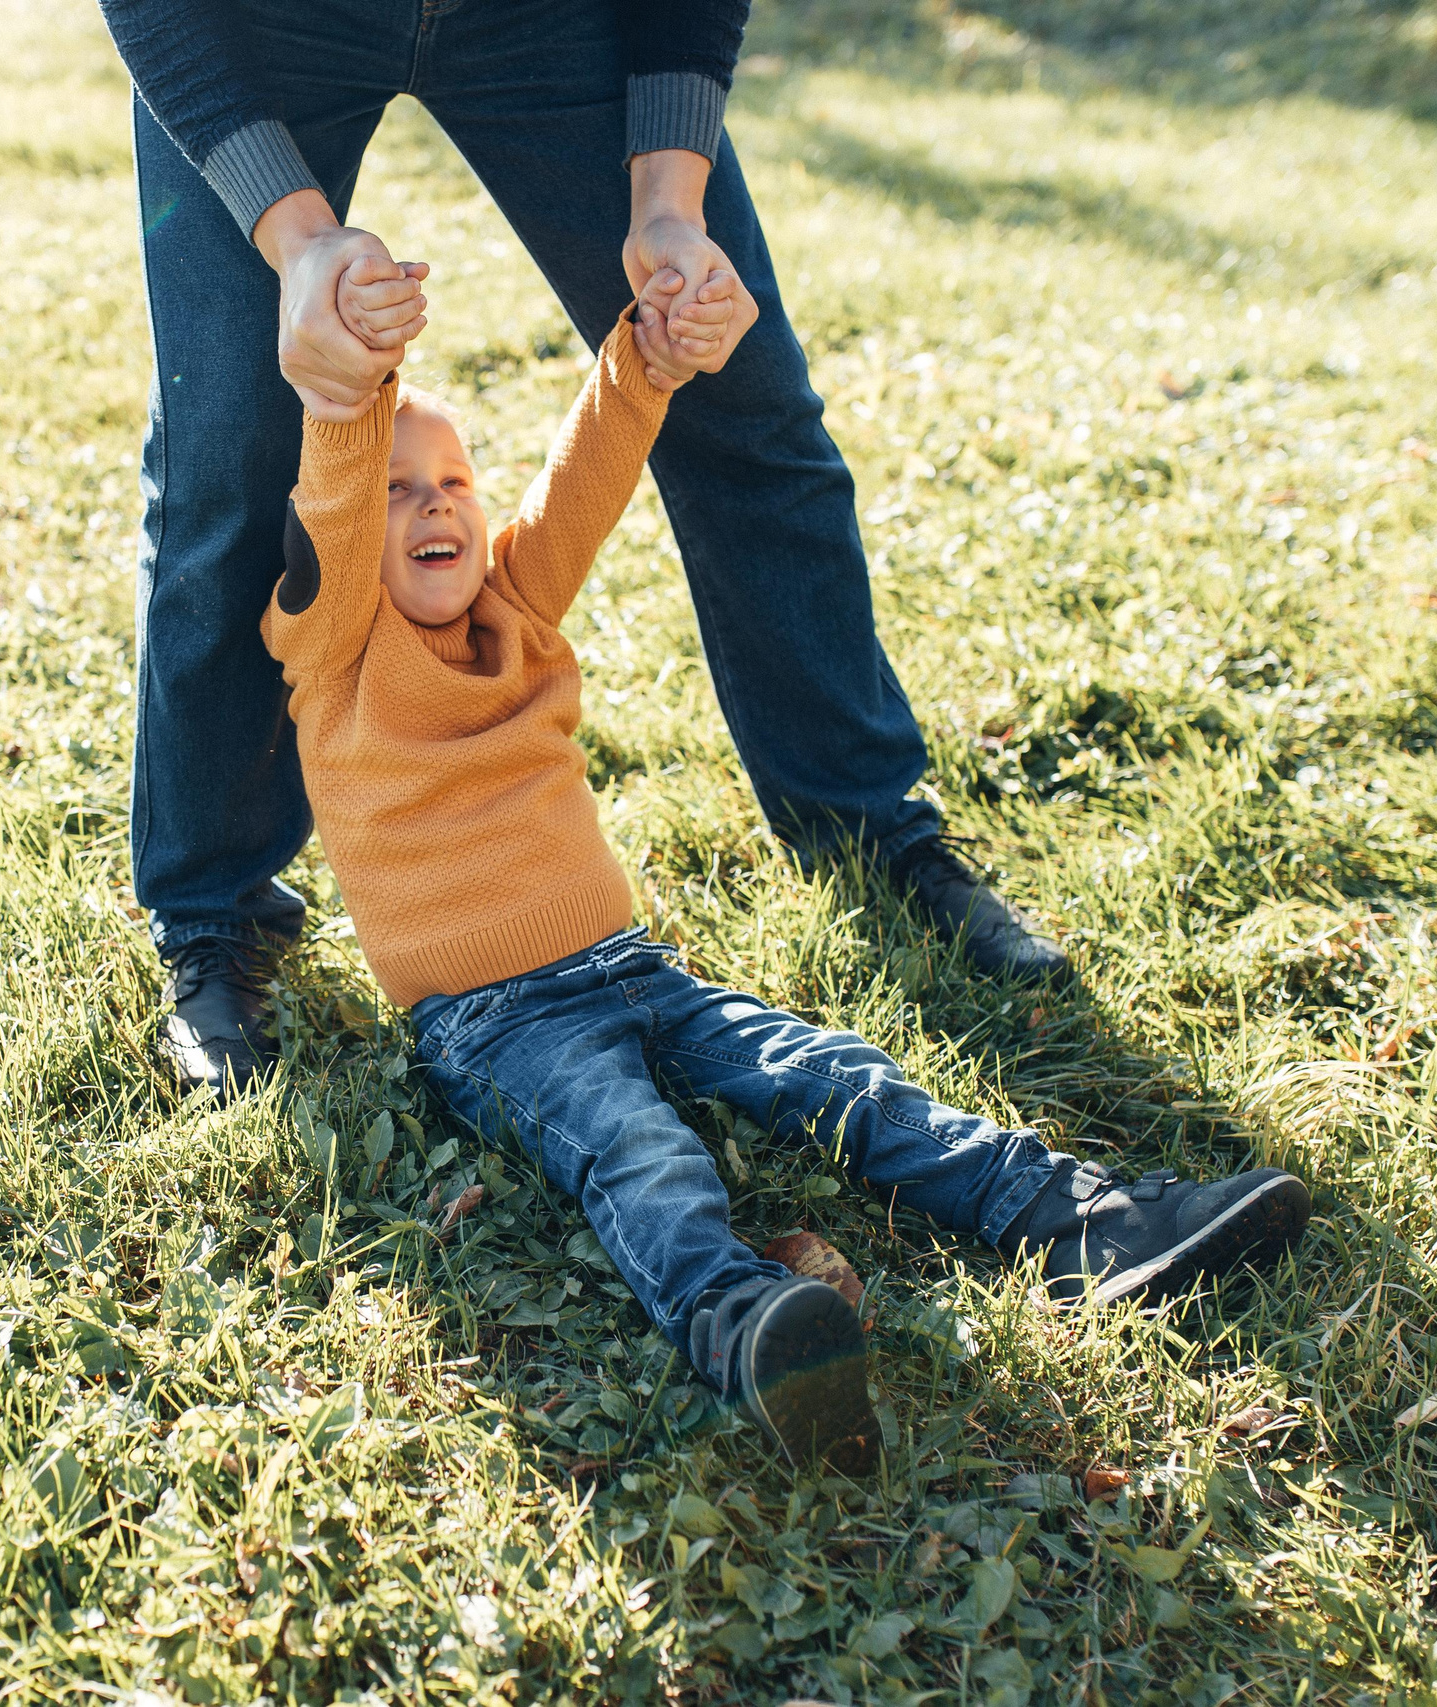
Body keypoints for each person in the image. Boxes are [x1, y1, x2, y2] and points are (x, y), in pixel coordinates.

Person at [261, 278, 1314, 1469]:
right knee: (641, 1151)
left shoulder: (517, 610)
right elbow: (335, 497)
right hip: (494, 1026)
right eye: (399, 492)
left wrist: (645, 359)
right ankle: (740, 1319)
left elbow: (590, 474)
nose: (431, 506)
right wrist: (355, 391)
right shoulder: (335, 651)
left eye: (453, 482)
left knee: (838, 1076)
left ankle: (1083, 1223)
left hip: (635, 971)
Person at [96, 0, 1072, 1101]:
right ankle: (214, 919)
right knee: (229, 458)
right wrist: (301, 242)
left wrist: (668, 204)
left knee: (730, 384)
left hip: (554, 20)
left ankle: (867, 830)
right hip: (271, 29)